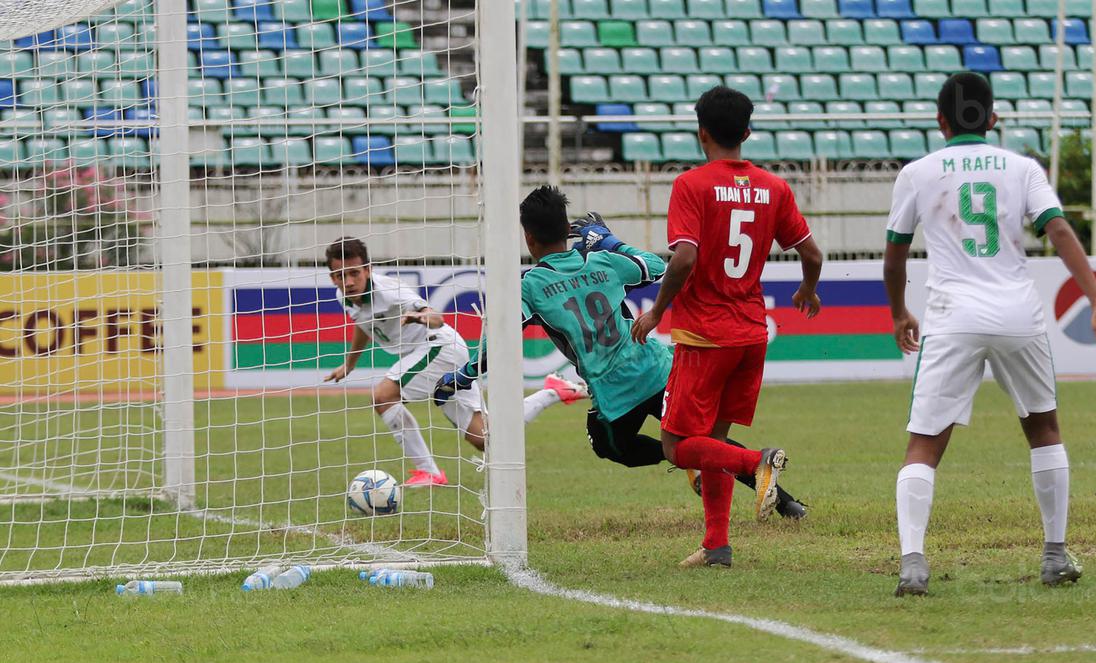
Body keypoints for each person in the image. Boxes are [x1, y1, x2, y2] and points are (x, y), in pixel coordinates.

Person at [882, 72, 1096, 596]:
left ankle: (913, 563)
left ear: (940, 120)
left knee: (924, 444)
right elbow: (1058, 230)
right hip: (1018, 314)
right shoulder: (1021, 168)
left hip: (953, 318)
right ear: (992, 119)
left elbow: (896, 252)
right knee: (1044, 430)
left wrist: (900, 311)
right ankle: (1055, 555)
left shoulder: (918, 173)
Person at [433, 186, 807, 519]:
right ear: (568, 230)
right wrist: (609, 241)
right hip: (657, 367)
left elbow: (499, 340)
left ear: (528, 238)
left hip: (616, 391)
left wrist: (465, 374)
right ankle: (789, 504)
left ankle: (688, 457)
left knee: (610, 445)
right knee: (705, 436)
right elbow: (659, 266)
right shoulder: (601, 260)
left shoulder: (531, 285)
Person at [631, 86, 824, 568]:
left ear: (701, 133)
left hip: (703, 337)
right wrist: (808, 289)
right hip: (751, 333)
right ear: (748, 132)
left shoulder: (691, 185)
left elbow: (686, 257)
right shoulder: (774, 187)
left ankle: (757, 461)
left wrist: (656, 311)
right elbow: (813, 253)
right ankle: (717, 544)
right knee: (712, 441)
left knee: (677, 448)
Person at [322, 237, 587, 487]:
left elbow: (436, 317)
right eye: (340, 275)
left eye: (354, 273)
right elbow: (362, 324)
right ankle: (553, 391)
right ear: (332, 277)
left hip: (438, 346)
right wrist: (350, 364)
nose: (348, 281)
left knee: (383, 395)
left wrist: (419, 317)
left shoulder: (390, 292)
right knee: (485, 438)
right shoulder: (344, 297)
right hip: (437, 353)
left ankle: (428, 471)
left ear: (367, 270)